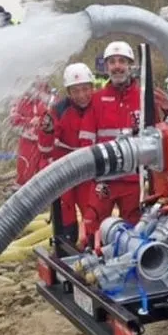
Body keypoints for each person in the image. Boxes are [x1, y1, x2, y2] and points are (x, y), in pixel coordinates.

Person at [78, 41, 142, 237]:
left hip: (133, 180)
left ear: (130, 65)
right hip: (104, 179)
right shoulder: (97, 100)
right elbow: (86, 140)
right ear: (106, 67)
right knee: (93, 226)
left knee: (135, 230)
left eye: (122, 61)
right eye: (112, 62)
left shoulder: (143, 98)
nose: (117, 66)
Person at [52, 63, 96, 244]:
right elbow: (48, 143)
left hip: (90, 170)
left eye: (85, 89)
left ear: (92, 88)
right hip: (66, 170)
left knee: (93, 210)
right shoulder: (59, 110)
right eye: (75, 91)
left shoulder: (99, 105)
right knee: (65, 212)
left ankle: (93, 247)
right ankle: (65, 248)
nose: (81, 95)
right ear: (68, 92)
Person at [10, 80, 55, 187]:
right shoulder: (20, 101)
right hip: (27, 142)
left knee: (46, 171)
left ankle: (46, 195)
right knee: (25, 170)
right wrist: (30, 121)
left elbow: (54, 118)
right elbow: (13, 120)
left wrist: (40, 121)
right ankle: (22, 193)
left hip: (46, 142)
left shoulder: (50, 100)